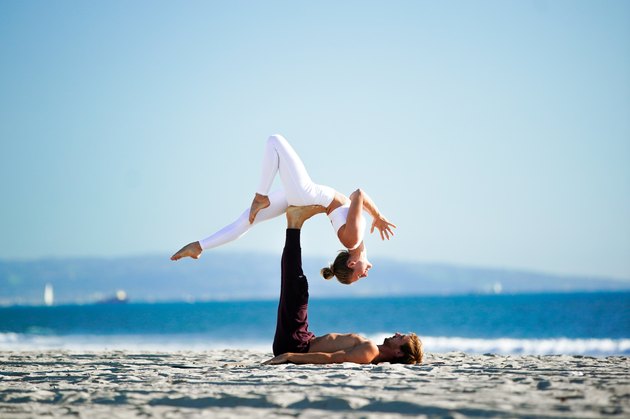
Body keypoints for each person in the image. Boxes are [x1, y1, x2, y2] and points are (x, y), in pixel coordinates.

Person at [171, 134, 396, 284]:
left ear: (351, 263)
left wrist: (377, 215)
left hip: (306, 194)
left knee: (274, 141)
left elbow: (358, 194)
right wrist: (376, 217)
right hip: (302, 197)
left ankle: (260, 197)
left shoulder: (352, 240)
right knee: (248, 221)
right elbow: (356, 198)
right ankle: (198, 246)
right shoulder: (356, 242)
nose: (365, 275)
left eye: (359, 276)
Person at [263, 205, 423, 365]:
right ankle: (294, 223)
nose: (397, 333)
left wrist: (289, 356)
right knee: (296, 285)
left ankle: (294, 223)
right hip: (301, 339)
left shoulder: (369, 352)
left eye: (401, 337)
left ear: (398, 352)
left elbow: (332, 358)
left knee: (296, 284)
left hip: (297, 344)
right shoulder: (373, 350)